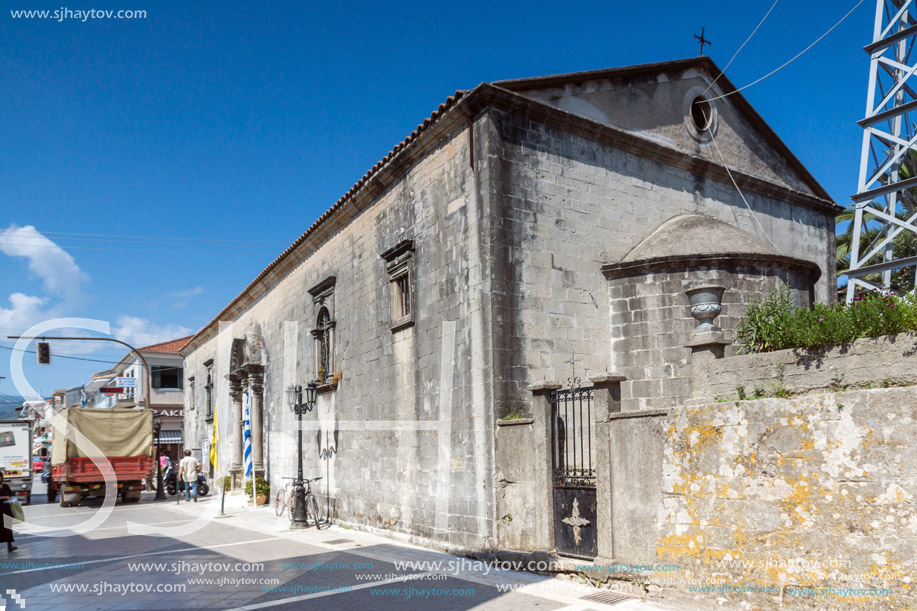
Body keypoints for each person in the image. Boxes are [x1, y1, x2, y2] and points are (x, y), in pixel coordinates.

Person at [0, 471, 18, 552]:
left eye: (0, 476)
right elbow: (6, 497)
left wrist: (12, 499)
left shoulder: (6, 486)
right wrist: (4, 497)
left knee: (8, 528)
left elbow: (11, 495)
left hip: (7, 510)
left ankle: (10, 545)